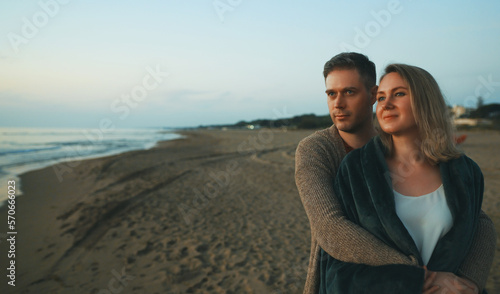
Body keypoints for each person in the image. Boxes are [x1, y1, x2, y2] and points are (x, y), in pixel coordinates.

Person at [295, 53, 496, 293]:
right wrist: (418, 275)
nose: (338, 103)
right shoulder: (321, 151)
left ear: (371, 95)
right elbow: (329, 226)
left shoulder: (416, 151)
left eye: (349, 92)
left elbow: (475, 217)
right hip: (351, 279)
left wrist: (470, 282)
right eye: (331, 93)